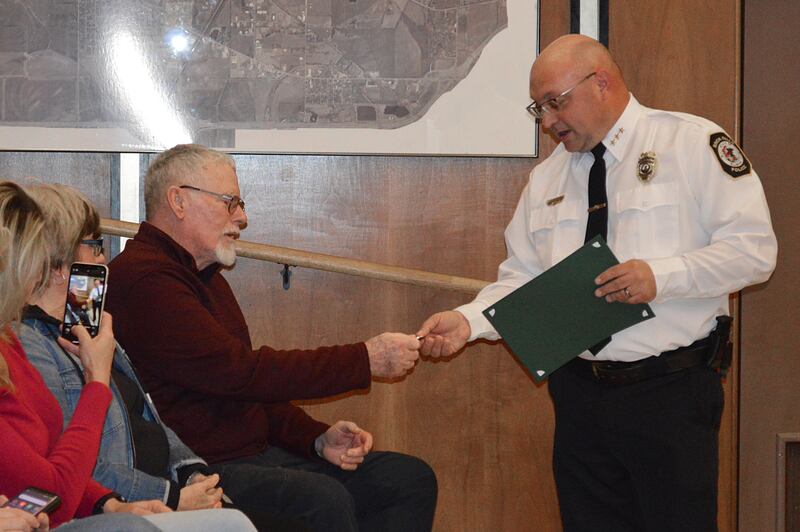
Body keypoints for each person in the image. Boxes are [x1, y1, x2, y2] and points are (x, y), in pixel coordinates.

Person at [417, 34, 777, 532]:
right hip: (579, 396)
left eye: (555, 102)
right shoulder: (547, 179)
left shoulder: (691, 144)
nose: (547, 121)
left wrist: (661, 277)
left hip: (669, 393)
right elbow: (523, 279)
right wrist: (467, 321)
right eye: (538, 108)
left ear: (601, 83)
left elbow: (754, 252)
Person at [105, 144, 437, 532]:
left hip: (253, 457)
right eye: (229, 202)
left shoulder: (204, 277)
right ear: (178, 201)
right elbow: (239, 374)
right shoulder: (145, 279)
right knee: (322, 500)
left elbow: (249, 389)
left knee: (406, 479)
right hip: (198, 471)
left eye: (239, 204)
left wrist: (315, 439)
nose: (241, 218)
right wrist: (364, 359)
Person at [17, 182, 307, 532]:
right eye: (94, 247)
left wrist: (192, 473)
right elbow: (72, 461)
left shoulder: (94, 329)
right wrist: (170, 496)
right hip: (125, 501)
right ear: (59, 265)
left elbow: (151, 419)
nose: (103, 259)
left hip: (161, 485)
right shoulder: (31, 346)